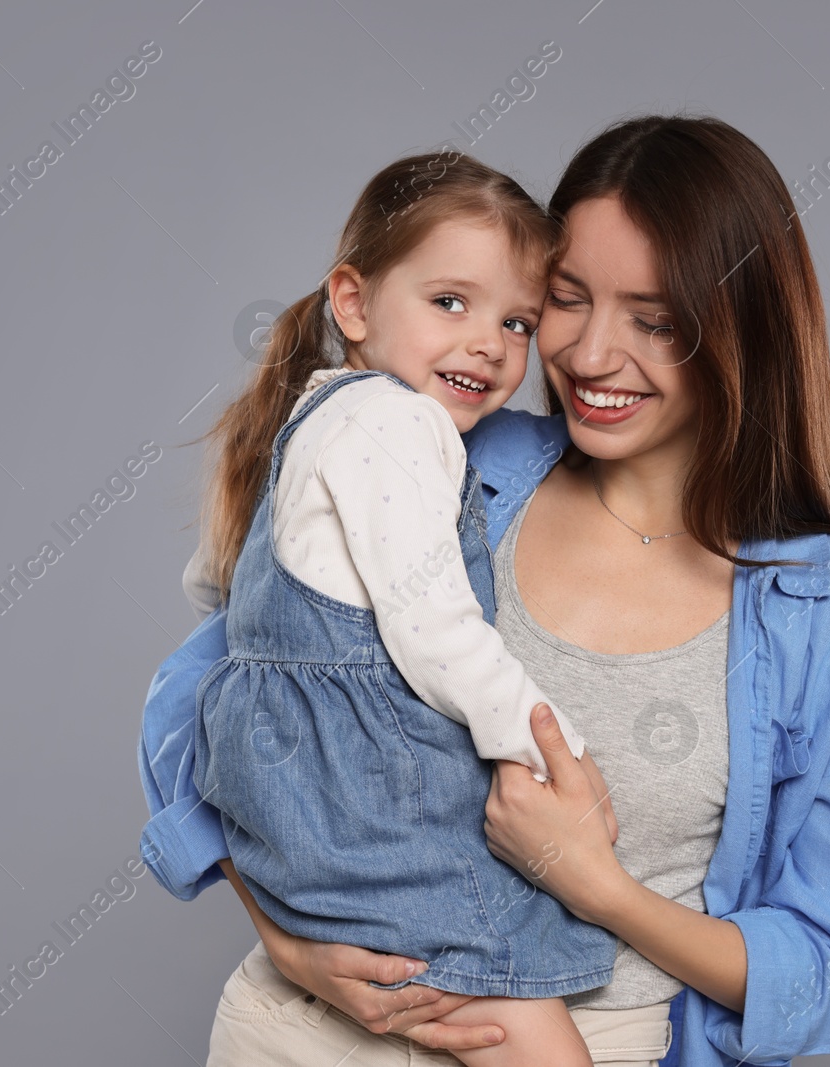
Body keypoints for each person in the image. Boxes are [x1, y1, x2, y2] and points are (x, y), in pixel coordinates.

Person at [139, 113, 830, 1067]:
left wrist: (597, 885)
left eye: (655, 321)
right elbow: (213, 695)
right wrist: (289, 938)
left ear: (740, 333)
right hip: (298, 1038)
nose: (592, 355)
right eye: (566, 299)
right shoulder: (450, 453)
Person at [183, 149, 625, 1066]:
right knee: (536, 1042)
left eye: (516, 320)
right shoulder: (399, 422)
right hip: (381, 819)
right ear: (353, 302)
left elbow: (215, 591)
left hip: (295, 824)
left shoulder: (311, 415)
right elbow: (435, 630)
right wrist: (550, 746)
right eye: (449, 302)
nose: (488, 343)